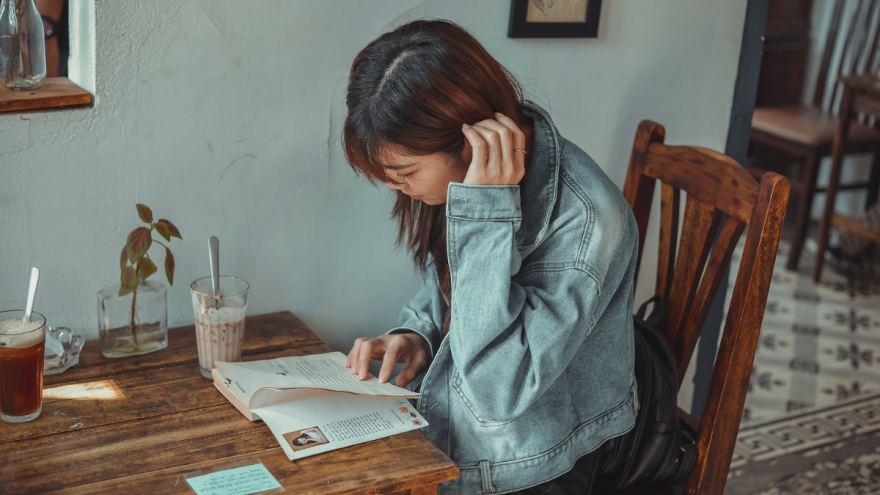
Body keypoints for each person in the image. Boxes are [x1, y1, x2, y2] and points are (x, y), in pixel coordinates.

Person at [342, 19, 639, 495]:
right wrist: (418, 332)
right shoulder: (473, 174)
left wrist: (484, 213)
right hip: (451, 427)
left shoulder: (587, 222)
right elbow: (449, 279)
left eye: (404, 173)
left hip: (532, 466)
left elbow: (498, 392)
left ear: (468, 144)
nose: (395, 187)